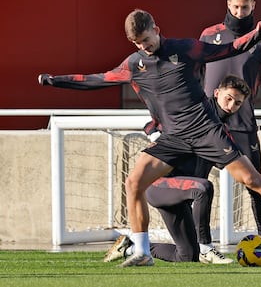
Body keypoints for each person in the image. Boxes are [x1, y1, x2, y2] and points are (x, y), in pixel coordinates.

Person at [38, 9, 261, 268]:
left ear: (156, 30)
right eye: (138, 44)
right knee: (134, 182)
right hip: (173, 138)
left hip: (206, 130)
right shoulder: (134, 65)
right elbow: (95, 79)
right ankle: (142, 252)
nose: (144, 47)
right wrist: (54, 80)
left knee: (251, 179)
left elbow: (227, 48)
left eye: (147, 40)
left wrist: (257, 34)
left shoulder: (184, 49)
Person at [103, 75, 251, 264]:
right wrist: (158, 138)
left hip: (182, 194)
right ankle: (207, 248)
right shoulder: (195, 111)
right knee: (203, 188)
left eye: (237, 103)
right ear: (216, 93)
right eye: (228, 98)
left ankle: (129, 247)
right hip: (159, 185)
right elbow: (152, 124)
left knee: (188, 256)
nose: (231, 106)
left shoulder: (223, 132)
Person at [200, 0, 261, 254]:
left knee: (256, 183)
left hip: (243, 123)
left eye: (245, 7)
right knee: (199, 184)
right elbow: (193, 75)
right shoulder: (209, 35)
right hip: (207, 123)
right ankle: (202, 245)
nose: (240, 12)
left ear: (254, 5)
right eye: (236, 7)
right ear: (228, 4)